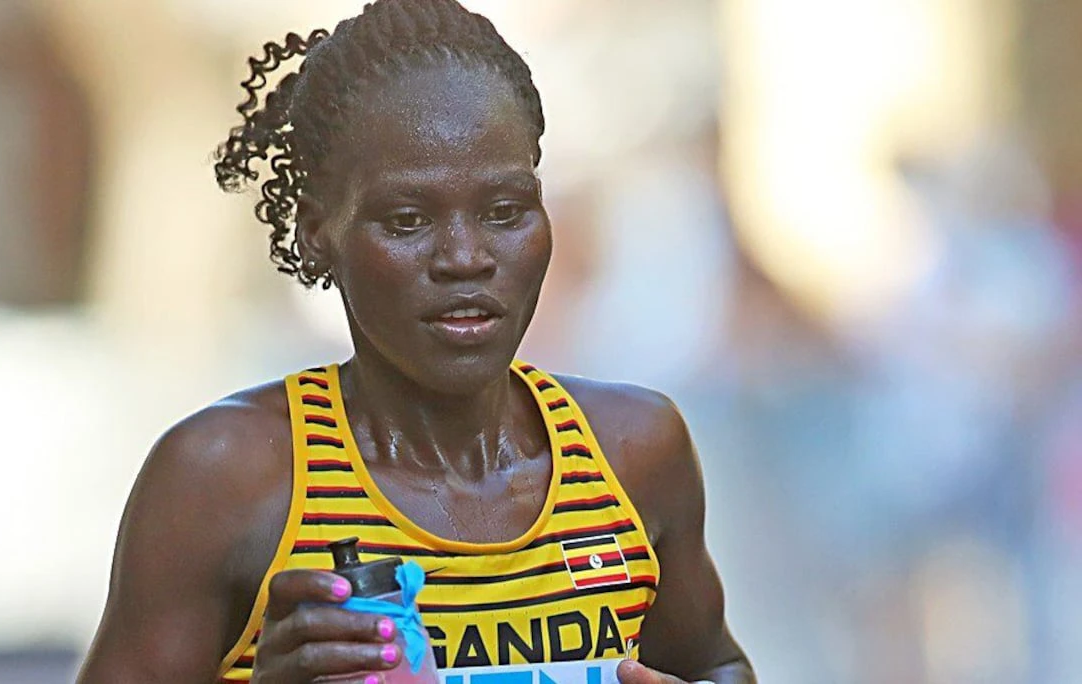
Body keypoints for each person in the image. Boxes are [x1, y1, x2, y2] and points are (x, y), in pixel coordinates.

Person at [77, 1, 753, 682]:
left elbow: (719, 664)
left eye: (505, 212)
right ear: (319, 233)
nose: (465, 257)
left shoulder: (633, 453)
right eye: (406, 220)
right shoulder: (227, 477)